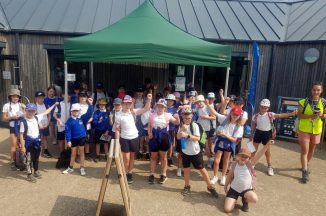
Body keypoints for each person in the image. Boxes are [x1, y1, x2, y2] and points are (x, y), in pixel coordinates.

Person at [176, 107, 219, 197]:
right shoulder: (181, 125)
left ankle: (210, 186)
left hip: (195, 152)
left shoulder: (194, 125)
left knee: (202, 170)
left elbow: (197, 138)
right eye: (185, 116)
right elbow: (178, 137)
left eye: (189, 117)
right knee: (186, 170)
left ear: (192, 116)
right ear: (182, 117)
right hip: (185, 152)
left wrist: (187, 135)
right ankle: (187, 186)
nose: (187, 118)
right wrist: (182, 130)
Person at [251, 99, 297, 176]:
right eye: (262, 107)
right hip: (258, 133)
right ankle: (252, 165)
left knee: (267, 152)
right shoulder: (255, 116)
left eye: (265, 107)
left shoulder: (270, 114)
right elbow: (253, 126)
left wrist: (291, 114)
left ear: (268, 108)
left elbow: (280, 115)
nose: (263, 109)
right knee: (253, 151)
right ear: (260, 107)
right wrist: (251, 135)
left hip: (267, 134)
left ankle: (269, 166)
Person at [224, 142, 274, 213]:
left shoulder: (250, 164)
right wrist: (225, 186)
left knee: (254, 199)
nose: (244, 158)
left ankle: (245, 200)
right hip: (234, 189)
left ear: (249, 158)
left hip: (246, 190)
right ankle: (234, 198)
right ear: (238, 156)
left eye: (246, 157)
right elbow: (229, 175)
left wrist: (267, 145)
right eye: (242, 156)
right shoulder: (234, 164)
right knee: (227, 209)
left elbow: (260, 154)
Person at [115, 94, 152, 184]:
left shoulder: (133, 112)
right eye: (126, 103)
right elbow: (117, 129)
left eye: (129, 103)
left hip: (134, 137)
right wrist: (117, 141)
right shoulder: (118, 115)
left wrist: (149, 99)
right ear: (122, 104)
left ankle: (129, 173)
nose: (127, 105)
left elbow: (146, 109)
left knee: (132, 157)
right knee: (126, 158)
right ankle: (125, 172)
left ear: (131, 104)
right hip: (124, 138)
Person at [20, 102, 58, 182]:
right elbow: (21, 135)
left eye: (32, 111)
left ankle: (36, 171)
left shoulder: (37, 117)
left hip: (37, 141)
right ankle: (29, 174)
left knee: (36, 157)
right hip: (28, 142)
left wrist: (54, 105)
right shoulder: (23, 122)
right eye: (29, 111)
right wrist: (23, 147)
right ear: (26, 111)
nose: (30, 113)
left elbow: (46, 112)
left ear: (35, 112)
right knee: (29, 159)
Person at [297, 82, 326, 183]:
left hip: (317, 130)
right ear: (311, 90)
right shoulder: (304, 102)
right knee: (305, 151)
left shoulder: (323, 102)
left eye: (318, 90)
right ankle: (305, 171)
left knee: (311, 151)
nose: (316, 92)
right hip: (304, 129)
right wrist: (310, 116)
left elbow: (325, 115)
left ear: (321, 91)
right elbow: (299, 115)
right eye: (314, 90)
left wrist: (322, 115)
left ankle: (305, 165)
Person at [147, 98, 180, 184]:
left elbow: (176, 123)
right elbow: (149, 126)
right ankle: (152, 174)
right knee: (153, 157)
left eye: (162, 106)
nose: (160, 108)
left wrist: (177, 117)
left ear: (165, 108)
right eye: (159, 106)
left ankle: (163, 175)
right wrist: (149, 133)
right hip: (154, 137)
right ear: (156, 106)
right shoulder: (152, 115)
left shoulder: (168, 115)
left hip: (164, 136)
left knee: (163, 157)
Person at [210, 107, 244, 186]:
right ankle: (215, 176)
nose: (234, 115)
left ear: (240, 116)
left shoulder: (239, 127)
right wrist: (208, 105)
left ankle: (223, 177)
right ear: (230, 113)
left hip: (229, 143)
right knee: (216, 160)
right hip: (221, 141)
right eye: (233, 113)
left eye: (237, 114)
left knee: (226, 160)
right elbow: (215, 113)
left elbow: (234, 140)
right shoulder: (225, 119)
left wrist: (224, 135)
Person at [63, 103, 93, 176]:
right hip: (73, 139)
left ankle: (82, 168)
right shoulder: (69, 121)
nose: (75, 112)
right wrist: (69, 140)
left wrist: (91, 104)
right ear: (71, 112)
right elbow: (68, 131)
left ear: (79, 111)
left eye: (77, 111)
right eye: (74, 111)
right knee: (73, 153)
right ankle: (70, 167)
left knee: (82, 153)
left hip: (82, 138)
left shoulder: (82, 118)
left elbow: (89, 113)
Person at [2, 89, 25, 170]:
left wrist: (24, 110)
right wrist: (11, 117)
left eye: (17, 96)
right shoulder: (6, 105)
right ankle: (12, 161)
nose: (15, 98)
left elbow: (26, 115)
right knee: (14, 145)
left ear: (19, 97)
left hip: (21, 125)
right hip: (12, 126)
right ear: (10, 97)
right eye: (13, 96)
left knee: (22, 144)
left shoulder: (21, 105)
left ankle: (22, 160)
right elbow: (4, 118)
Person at [195, 95, 216, 168]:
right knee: (199, 144)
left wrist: (206, 117)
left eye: (200, 102)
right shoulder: (198, 108)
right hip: (198, 128)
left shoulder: (208, 107)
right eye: (197, 102)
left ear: (203, 101)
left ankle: (209, 160)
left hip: (205, 129)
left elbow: (214, 117)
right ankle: (199, 160)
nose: (199, 104)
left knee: (205, 145)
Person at [35, 91, 53, 158]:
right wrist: (39, 124)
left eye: (42, 97)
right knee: (38, 138)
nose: (41, 99)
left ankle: (45, 150)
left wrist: (47, 123)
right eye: (39, 98)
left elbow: (49, 115)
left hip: (45, 124)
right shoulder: (34, 106)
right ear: (36, 98)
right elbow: (35, 116)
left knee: (45, 138)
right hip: (37, 125)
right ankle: (38, 150)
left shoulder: (46, 105)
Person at [78, 91, 94, 161]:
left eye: (84, 96)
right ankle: (79, 155)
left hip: (88, 126)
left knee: (87, 141)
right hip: (79, 126)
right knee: (79, 142)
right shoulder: (76, 105)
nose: (82, 98)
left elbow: (92, 116)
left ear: (87, 98)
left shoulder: (89, 106)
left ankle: (87, 154)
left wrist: (88, 120)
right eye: (81, 96)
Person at [165, 94, 178, 167]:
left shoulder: (175, 110)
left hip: (171, 129)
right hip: (163, 128)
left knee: (170, 143)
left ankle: (169, 157)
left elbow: (177, 120)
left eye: (171, 101)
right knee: (162, 143)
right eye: (168, 100)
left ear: (173, 102)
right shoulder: (163, 107)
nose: (169, 102)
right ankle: (161, 157)